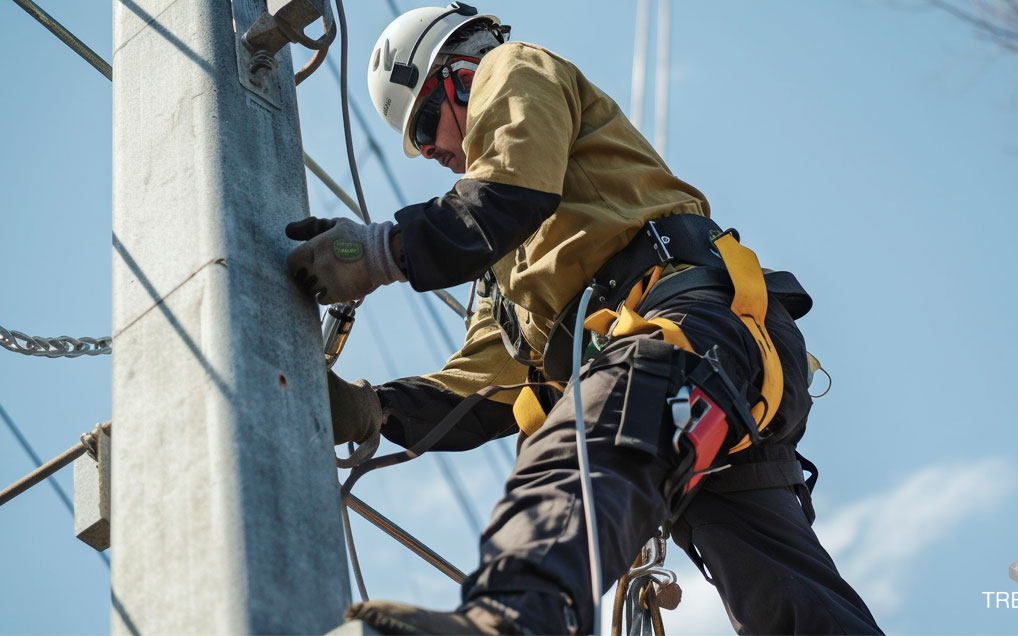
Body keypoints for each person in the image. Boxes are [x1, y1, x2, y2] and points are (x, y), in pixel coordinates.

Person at [284, 3, 883, 634]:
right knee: (789, 598)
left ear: (460, 73)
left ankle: (510, 618)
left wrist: (379, 252)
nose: (435, 151)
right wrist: (371, 410)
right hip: (706, 397)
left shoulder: (512, 69)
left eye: (430, 121)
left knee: (581, 440)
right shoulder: (510, 273)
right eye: (423, 146)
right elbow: (487, 391)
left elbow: (507, 193)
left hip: (690, 327)